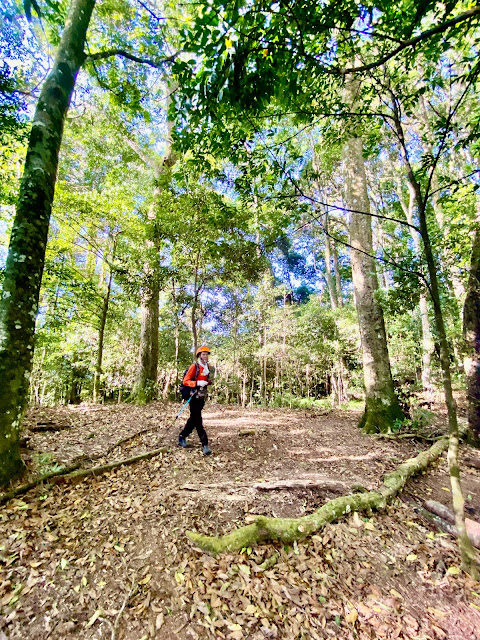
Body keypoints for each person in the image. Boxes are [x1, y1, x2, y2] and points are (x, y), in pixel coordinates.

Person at [178, 345, 213, 455]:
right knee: (198, 420)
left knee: (194, 418)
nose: (206, 356)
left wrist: (207, 382)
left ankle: (182, 436)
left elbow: (206, 380)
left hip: (201, 396)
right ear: (199, 356)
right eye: (203, 354)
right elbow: (185, 381)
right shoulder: (195, 366)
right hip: (193, 396)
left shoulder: (207, 367)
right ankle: (205, 443)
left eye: (207, 354)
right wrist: (196, 383)